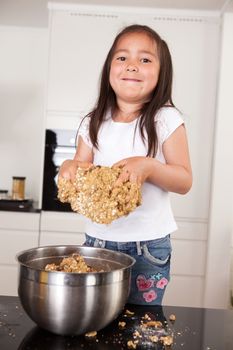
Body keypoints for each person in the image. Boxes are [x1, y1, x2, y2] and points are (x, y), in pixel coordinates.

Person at [58, 24, 192, 305]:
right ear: (109, 69)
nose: (132, 66)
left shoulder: (166, 119)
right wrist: (70, 167)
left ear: (161, 73)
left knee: (141, 326)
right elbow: (82, 166)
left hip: (148, 247)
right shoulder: (92, 121)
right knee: (96, 318)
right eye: (122, 58)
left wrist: (149, 167)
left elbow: (184, 180)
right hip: (97, 242)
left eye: (144, 59)